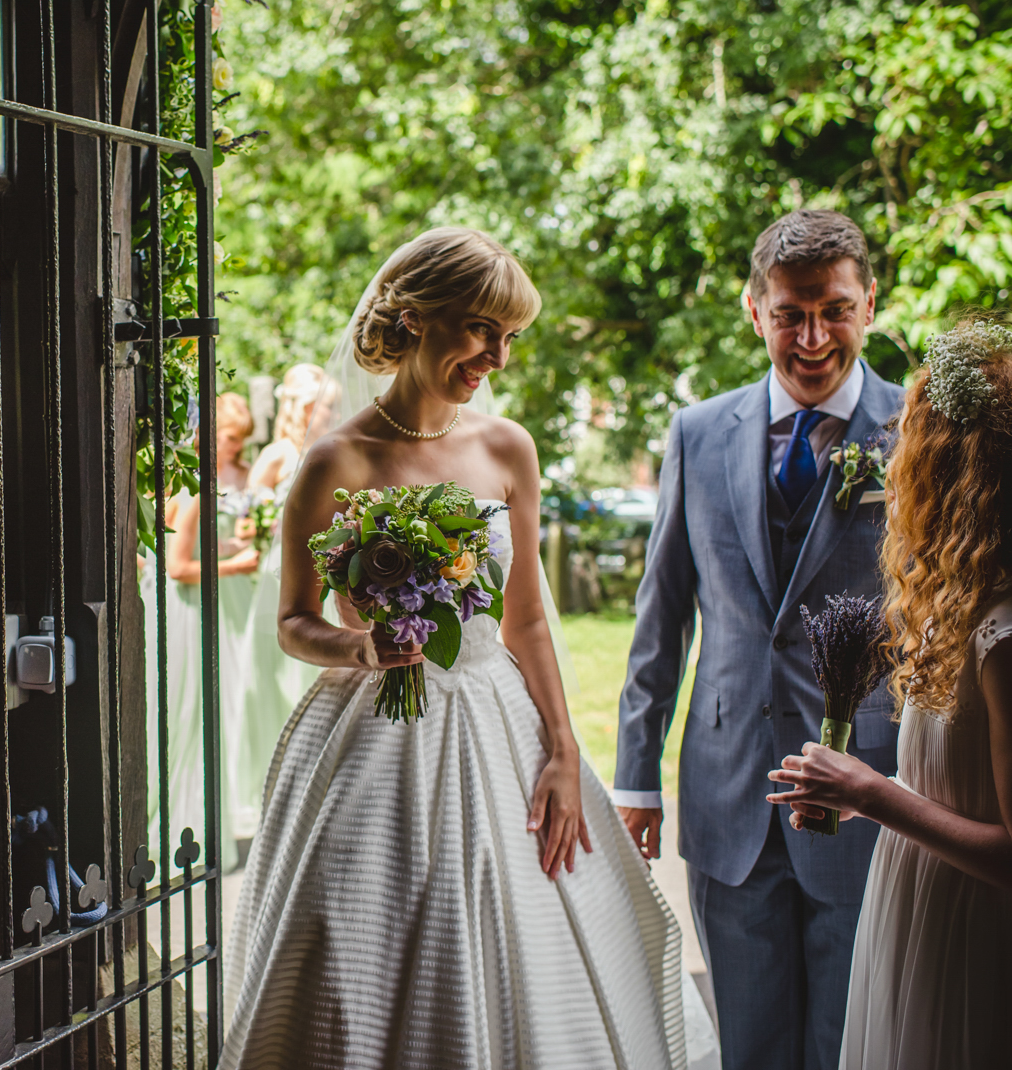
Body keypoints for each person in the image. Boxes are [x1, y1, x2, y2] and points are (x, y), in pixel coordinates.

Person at [225, 227, 695, 1070]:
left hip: (497, 722)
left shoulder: (506, 447)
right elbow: (293, 619)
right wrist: (359, 645)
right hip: (370, 736)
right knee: (355, 943)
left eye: (509, 337)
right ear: (414, 317)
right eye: (482, 329)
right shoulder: (334, 462)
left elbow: (527, 623)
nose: (498, 357)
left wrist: (560, 749)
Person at [614, 209, 904, 1070]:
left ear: (869, 304)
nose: (813, 337)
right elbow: (660, 615)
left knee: (851, 1043)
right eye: (790, 314)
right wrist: (637, 777)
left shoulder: (917, 430)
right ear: (754, 312)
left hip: (871, 791)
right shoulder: (698, 433)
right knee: (750, 1044)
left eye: (835, 310)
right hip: (729, 787)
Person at [769, 324, 1012, 1068]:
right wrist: (857, 790)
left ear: (958, 470)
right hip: (928, 912)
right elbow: (964, 790)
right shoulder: (964, 600)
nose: (897, 460)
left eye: (912, 442)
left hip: (983, 944)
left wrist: (874, 794)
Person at [146, 393, 260, 860]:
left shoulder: (188, 482)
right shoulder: (196, 491)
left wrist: (230, 548)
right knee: (193, 714)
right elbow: (176, 567)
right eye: (231, 439)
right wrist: (240, 565)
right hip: (187, 606)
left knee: (192, 711)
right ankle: (184, 826)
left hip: (188, 605)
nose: (236, 448)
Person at [229, 364, 335, 848]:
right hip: (277, 576)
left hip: (321, 572)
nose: (333, 412)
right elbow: (244, 522)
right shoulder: (277, 455)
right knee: (267, 688)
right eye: (326, 405)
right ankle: (267, 793)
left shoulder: (333, 451)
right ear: (304, 408)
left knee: (308, 684)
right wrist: (261, 529)